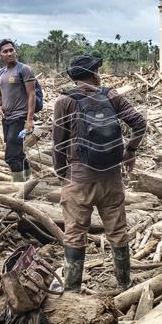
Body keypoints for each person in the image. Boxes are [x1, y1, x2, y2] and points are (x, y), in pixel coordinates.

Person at [53, 54, 147, 293]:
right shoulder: (111, 95)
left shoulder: (64, 101)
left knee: (74, 233)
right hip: (111, 176)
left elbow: (58, 143)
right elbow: (139, 123)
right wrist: (130, 151)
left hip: (78, 178)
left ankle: (73, 289)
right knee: (117, 230)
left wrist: (62, 173)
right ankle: (124, 283)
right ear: (95, 74)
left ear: (75, 77)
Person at [0, 39, 39, 181]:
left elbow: (31, 94)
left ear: (16, 51)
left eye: (11, 50)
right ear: (0, 55)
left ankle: (19, 188)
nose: (9, 53)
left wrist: (29, 120)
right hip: (6, 118)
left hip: (19, 118)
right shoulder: (1, 72)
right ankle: (27, 180)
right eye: (5, 51)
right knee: (18, 152)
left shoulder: (24, 70)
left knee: (11, 156)